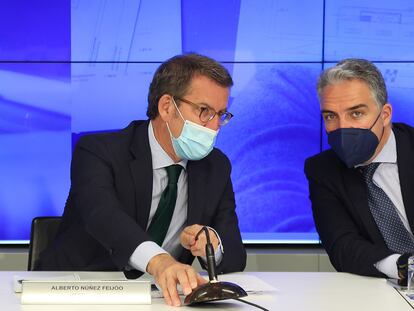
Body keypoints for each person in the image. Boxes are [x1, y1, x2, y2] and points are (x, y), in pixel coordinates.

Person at [37, 53, 246, 306]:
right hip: (73, 292)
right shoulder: (99, 151)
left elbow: (235, 254)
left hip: (160, 299)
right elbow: (103, 216)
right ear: (167, 107)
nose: (215, 127)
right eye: (204, 111)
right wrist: (159, 261)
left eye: (221, 114)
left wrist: (214, 244)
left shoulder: (215, 165)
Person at [305, 58, 414, 282]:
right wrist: (406, 267)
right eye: (330, 116)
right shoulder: (323, 170)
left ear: (385, 115)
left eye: (356, 113)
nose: (343, 127)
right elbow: (343, 248)